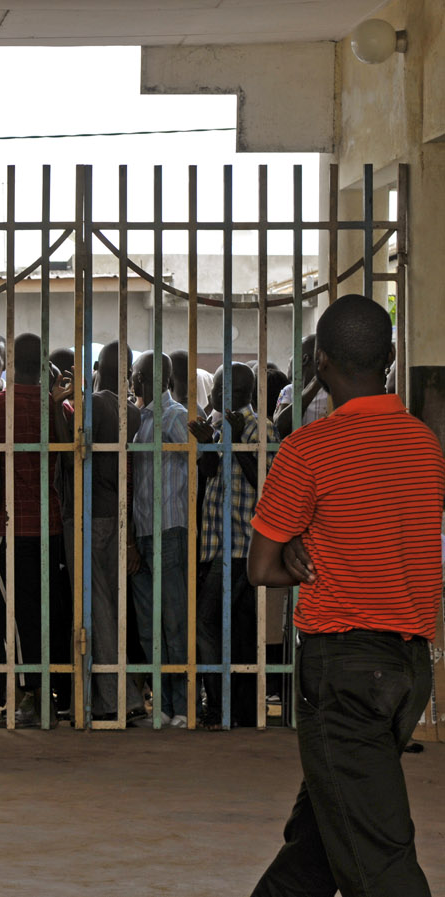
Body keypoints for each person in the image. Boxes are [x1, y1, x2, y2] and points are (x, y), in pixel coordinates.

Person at [248, 294, 442, 897]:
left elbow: (262, 567)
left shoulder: (309, 448)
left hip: (344, 670)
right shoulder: (424, 444)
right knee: (323, 836)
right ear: (388, 359)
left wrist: (305, 556)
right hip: (408, 669)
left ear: (320, 362)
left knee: (377, 859)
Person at [0, 333, 75, 727]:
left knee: (15, 619)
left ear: (11, 360)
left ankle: (27, 699)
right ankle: (49, 696)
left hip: (9, 529)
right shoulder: (60, 411)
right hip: (52, 528)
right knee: (49, 615)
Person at [190, 361, 265, 729]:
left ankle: (220, 708)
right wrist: (207, 446)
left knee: (207, 624)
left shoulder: (258, 427)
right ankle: (234, 710)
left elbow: (263, 484)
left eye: (223, 390)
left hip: (242, 545)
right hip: (217, 544)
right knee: (231, 630)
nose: (217, 396)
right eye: (217, 390)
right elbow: (210, 478)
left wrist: (236, 444)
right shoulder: (220, 423)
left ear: (241, 392)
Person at [128, 351, 190, 727]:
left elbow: (200, 459)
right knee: (151, 624)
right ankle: (164, 704)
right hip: (143, 532)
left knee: (174, 622)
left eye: (136, 375)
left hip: (168, 528)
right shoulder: (141, 421)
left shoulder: (174, 416)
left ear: (151, 378)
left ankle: (182, 705)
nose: (132, 381)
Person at [88, 341, 145, 723]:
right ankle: (122, 694)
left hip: (92, 513)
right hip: (119, 515)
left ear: (97, 368)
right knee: (113, 607)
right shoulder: (131, 412)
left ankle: (117, 699)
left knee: (99, 610)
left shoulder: (91, 406)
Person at [274, 334, 331, 438]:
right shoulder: (289, 391)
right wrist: (314, 384)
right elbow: (278, 429)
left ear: (304, 359)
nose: (289, 360)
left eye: (293, 355)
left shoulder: (331, 392)